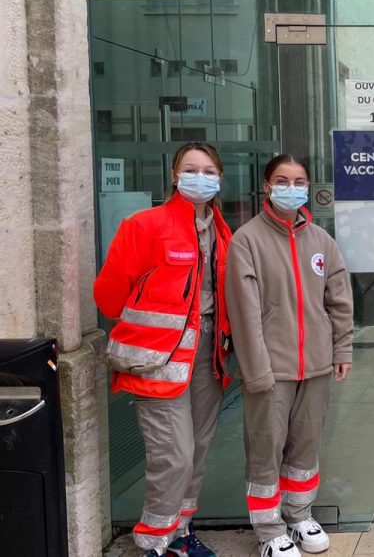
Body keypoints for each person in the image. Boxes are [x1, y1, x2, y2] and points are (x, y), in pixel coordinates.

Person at [93, 142, 233, 557]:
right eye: (192, 169)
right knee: (173, 455)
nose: (201, 178)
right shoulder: (146, 226)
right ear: (174, 175)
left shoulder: (223, 231)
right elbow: (108, 297)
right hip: (159, 359)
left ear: (220, 178)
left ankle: (181, 535)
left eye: (209, 171)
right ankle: (154, 542)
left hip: (209, 355)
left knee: (198, 451)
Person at [225, 154, 355, 557]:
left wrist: (341, 347)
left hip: (314, 365)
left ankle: (299, 516)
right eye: (282, 180)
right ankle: (268, 530)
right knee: (266, 446)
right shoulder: (246, 240)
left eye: (299, 181)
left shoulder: (321, 241)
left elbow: (339, 301)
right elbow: (244, 313)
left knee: (305, 443)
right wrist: (256, 369)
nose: (291, 188)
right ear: (267, 185)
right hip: (270, 368)